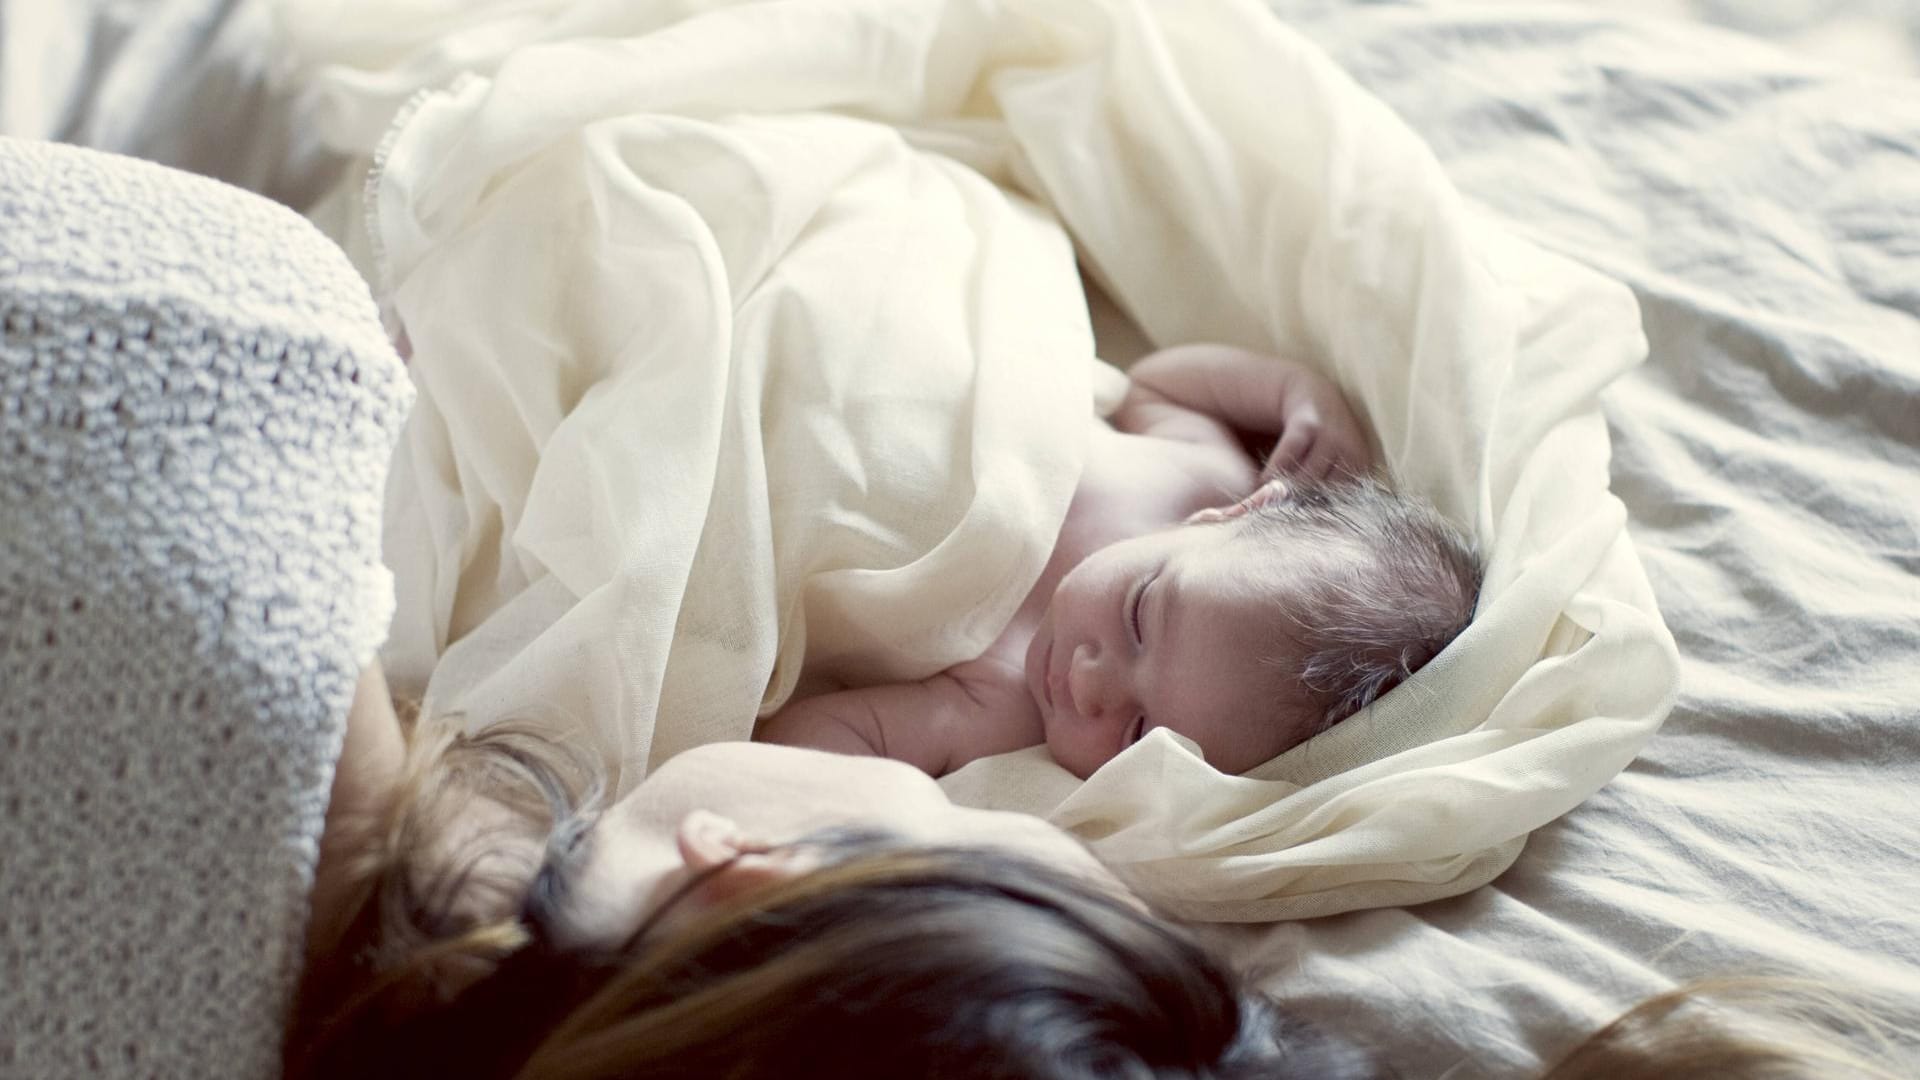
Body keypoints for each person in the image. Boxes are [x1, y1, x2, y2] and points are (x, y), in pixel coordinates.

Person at [760, 344, 1482, 779]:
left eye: (1137, 732)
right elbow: (1156, 383)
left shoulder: (1001, 704)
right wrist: (1297, 391)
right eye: (1141, 614)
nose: (1086, 680)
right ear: (1238, 513)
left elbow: (828, 740)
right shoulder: (1199, 473)